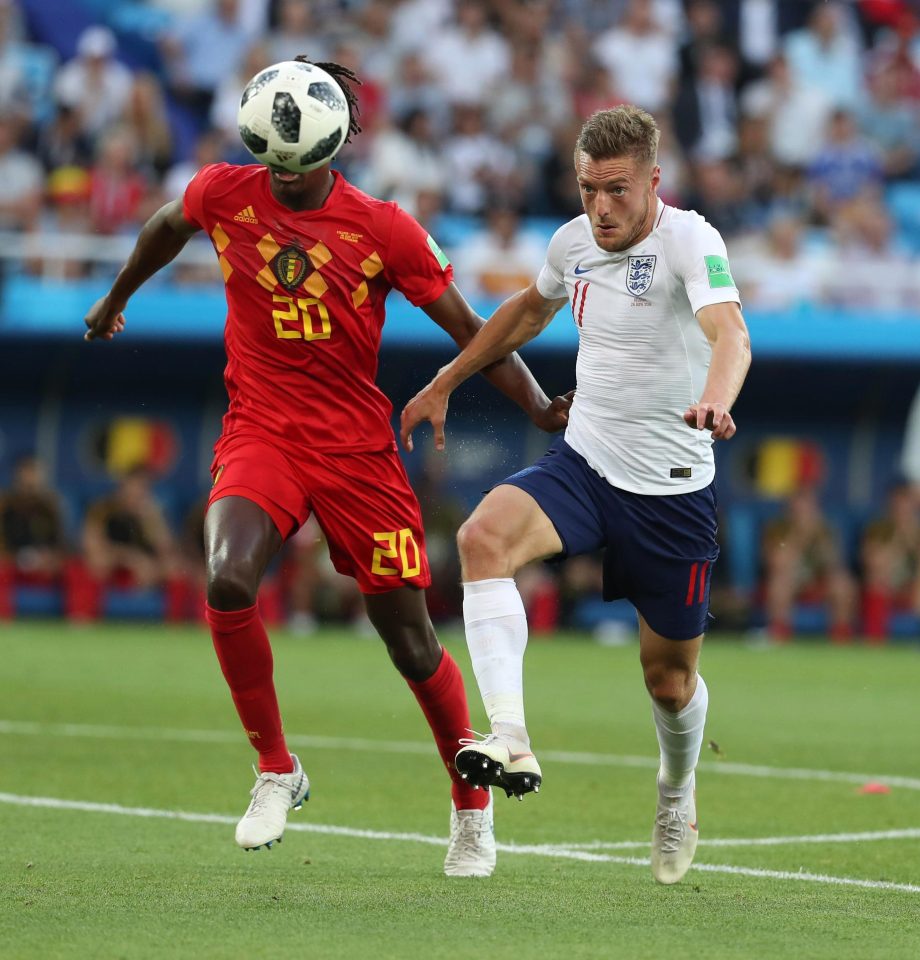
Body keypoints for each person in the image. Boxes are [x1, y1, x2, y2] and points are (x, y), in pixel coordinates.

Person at [82, 59, 571, 876]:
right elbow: (168, 223)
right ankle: (276, 768)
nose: (284, 177)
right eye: (274, 163)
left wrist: (536, 407)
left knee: (411, 643)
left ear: (330, 151)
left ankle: (471, 807)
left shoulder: (385, 230)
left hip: (356, 454)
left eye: (298, 166)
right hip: (261, 433)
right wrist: (117, 294)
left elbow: (470, 326)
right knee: (228, 579)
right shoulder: (224, 191)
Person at [401, 105, 751, 886]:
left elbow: (732, 333)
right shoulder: (572, 243)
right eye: (589, 188)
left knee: (669, 682)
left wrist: (718, 398)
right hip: (585, 463)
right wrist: (444, 381)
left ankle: (676, 788)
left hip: (670, 493)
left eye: (617, 190)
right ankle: (511, 736)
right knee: (482, 537)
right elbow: (528, 309)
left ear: (653, 181)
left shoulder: (690, 240)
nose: (600, 207)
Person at [761, 487, 856, 643]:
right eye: (798, 505)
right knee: (779, 583)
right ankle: (779, 632)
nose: (802, 510)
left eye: (807, 505)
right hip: (790, 579)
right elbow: (776, 563)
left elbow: (834, 563)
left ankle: (841, 633)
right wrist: (799, 536)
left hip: (819, 579)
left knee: (842, 583)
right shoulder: (778, 528)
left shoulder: (825, 528)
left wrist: (816, 538)